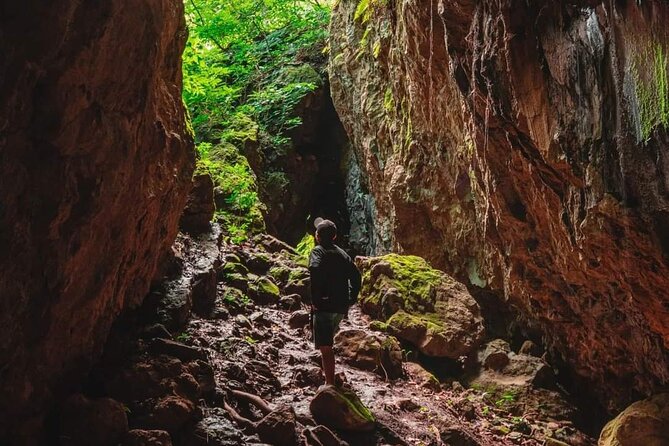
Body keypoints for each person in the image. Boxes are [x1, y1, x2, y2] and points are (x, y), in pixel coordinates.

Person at [308, 217, 361, 387]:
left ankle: (329, 384)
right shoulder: (343, 254)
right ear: (335, 236)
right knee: (327, 340)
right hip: (340, 307)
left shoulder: (318, 252)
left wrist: (316, 299)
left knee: (325, 346)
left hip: (324, 305)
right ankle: (329, 377)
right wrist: (351, 298)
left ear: (317, 236)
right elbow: (356, 276)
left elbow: (315, 270)